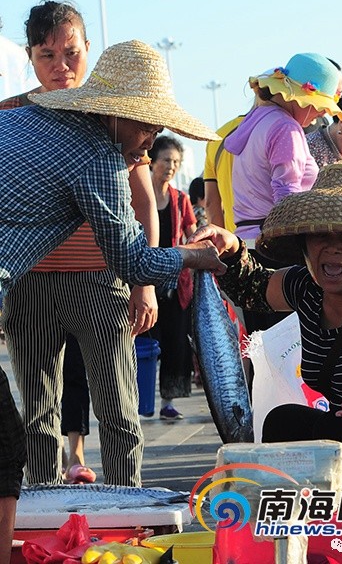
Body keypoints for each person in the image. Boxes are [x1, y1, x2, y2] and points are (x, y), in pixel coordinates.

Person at [0, 38, 223, 560]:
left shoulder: (23, 122)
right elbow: (132, 261)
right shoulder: (97, 154)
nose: (148, 139)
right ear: (113, 115)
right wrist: (192, 257)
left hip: (64, 285)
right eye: (143, 124)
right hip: (48, 286)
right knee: (13, 443)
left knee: (44, 423)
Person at [189, 162, 342, 522]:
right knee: (282, 423)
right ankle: (312, 522)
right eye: (321, 237)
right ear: (305, 245)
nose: (333, 249)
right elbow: (252, 287)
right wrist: (229, 250)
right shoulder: (305, 286)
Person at [0, 0, 160, 487]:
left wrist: (144, 283)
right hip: (29, 283)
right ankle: (44, 514)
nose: (61, 66)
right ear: (30, 57)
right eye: (47, 55)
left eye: (70, 52)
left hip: (101, 279)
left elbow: (145, 204)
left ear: (88, 49)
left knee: (119, 409)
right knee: (37, 413)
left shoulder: (116, 115)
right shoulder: (10, 116)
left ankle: (127, 510)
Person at [225, 53, 342, 339]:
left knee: (262, 348)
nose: (322, 114)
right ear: (299, 96)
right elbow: (288, 200)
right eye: (319, 106)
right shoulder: (286, 128)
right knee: (288, 350)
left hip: (249, 243)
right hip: (276, 249)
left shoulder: (258, 118)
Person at [147, 136, 197, 420]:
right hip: (143, 278)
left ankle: (168, 401)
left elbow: (192, 234)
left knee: (175, 342)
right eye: (166, 160)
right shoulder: (137, 194)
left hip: (176, 281)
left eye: (176, 162)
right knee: (141, 341)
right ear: (153, 161)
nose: (171, 166)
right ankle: (139, 396)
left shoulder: (181, 199)